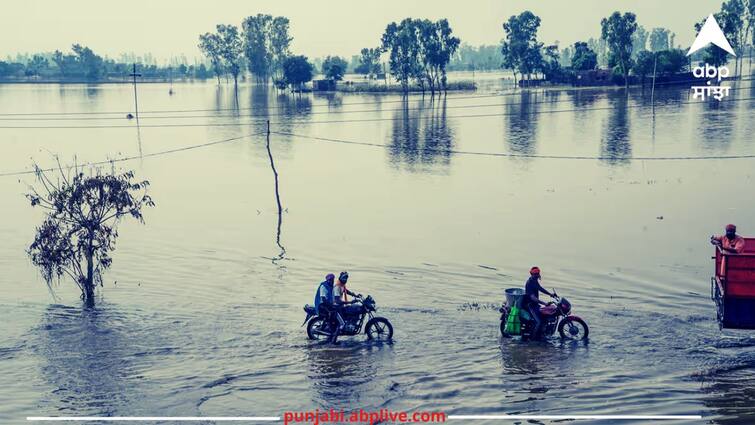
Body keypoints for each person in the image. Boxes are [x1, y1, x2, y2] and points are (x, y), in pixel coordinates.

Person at [523, 267, 557, 339]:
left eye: (537, 273)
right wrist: (544, 303)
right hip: (530, 305)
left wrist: (550, 294)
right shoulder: (529, 283)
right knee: (538, 321)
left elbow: (540, 289)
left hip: (535, 304)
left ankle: (542, 333)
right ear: (531, 274)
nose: (537, 275)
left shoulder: (534, 281)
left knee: (544, 316)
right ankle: (533, 338)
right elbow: (533, 298)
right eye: (535, 274)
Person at [331, 271, 360, 342]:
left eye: (346, 278)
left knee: (355, 310)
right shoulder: (337, 287)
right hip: (336, 308)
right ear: (340, 278)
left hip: (340, 306)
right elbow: (337, 301)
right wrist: (350, 302)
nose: (345, 279)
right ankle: (333, 341)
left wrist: (355, 295)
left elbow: (346, 291)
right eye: (344, 278)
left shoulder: (341, 285)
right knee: (342, 324)